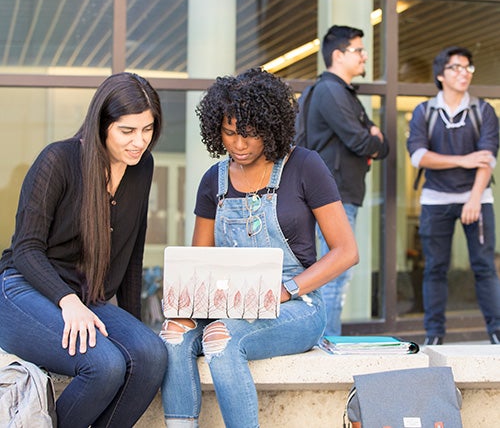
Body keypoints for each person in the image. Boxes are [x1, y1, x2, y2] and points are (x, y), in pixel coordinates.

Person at [160, 67, 358, 428]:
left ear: (271, 127)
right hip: (228, 302)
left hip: (298, 303)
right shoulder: (213, 181)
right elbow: (199, 262)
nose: (238, 144)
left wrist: (285, 290)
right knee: (173, 333)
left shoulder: (305, 167)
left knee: (221, 338)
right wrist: (184, 296)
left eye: (250, 134)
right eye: (230, 132)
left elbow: (346, 251)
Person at [0, 72, 169, 427]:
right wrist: (68, 301)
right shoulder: (58, 160)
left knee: (151, 354)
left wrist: (132, 326)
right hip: (24, 291)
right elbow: (27, 249)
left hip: (85, 297)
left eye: (148, 129)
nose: (139, 141)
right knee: (105, 365)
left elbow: (133, 253)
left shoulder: (142, 167)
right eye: (127, 131)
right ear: (102, 124)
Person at [407, 46, 500, 345]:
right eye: (456, 68)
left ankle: (496, 332)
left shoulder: (483, 110)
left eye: (468, 68)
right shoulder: (425, 111)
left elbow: (486, 159)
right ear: (440, 75)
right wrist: (463, 160)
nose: (464, 73)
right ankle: (434, 335)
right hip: (435, 199)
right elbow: (418, 156)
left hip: (477, 198)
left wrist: (474, 199)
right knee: (435, 268)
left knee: (484, 267)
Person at [305, 25, 389, 336]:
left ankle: (326, 345)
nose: (365, 55)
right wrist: (373, 137)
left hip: (340, 194)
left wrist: (374, 138)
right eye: (358, 50)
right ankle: (328, 349)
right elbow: (363, 141)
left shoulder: (343, 94)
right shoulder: (330, 91)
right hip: (333, 195)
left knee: (335, 274)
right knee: (333, 275)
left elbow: (380, 143)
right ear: (338, 55)